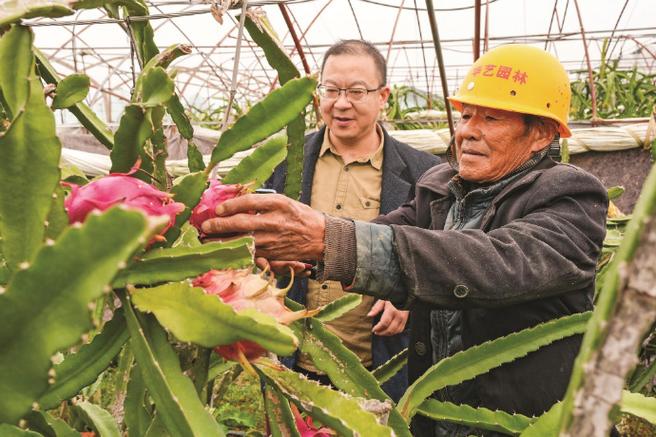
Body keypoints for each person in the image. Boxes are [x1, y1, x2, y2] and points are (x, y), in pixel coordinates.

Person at [202, 45, 608, 436]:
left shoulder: (570, 195)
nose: (468, 132)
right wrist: (288, 247)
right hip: (434, 413)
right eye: (467, 116)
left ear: (540, 134)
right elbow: (383, 233)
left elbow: (498, 262)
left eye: (492, 120)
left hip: (518, 422)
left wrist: (326, 240)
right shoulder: (439, 187)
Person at [265, 39, 439, 402]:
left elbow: (444, 259)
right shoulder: (283, 162)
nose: (341, 103)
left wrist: (411, 299)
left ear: (383, 95)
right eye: (331, 90)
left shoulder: (426, 173)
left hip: (382, 370)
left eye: (357, 91)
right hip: (295, 365)